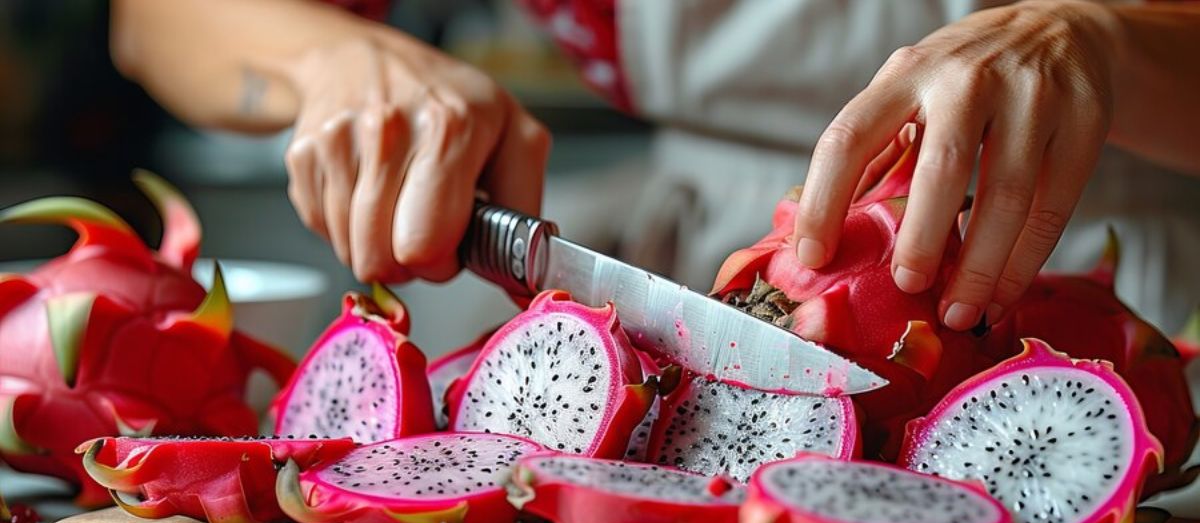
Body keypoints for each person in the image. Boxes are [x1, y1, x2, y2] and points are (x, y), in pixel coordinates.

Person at [109, 0, 1200, 336]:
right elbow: (156, 19)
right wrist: (335, 55)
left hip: (1116, 282)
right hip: (712, 286)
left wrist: (1106, 41)